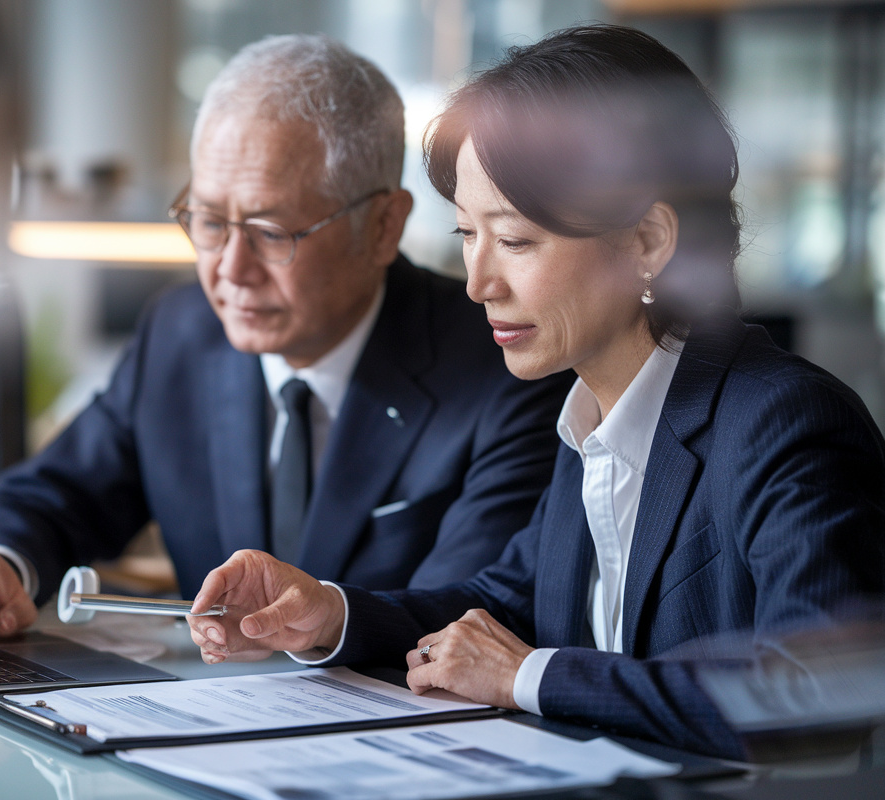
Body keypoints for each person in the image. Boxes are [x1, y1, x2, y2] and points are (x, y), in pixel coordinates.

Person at [187, 24, 885, 760]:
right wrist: (326, 615)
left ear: (648, 241)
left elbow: (819, 693)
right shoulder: (592, 419)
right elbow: (506, 602)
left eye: (515, 241)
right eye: (466, 235)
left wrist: (531, 676)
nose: (479, 284)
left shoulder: (786, 423)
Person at [0, 35, 570, 647]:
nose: (229, 270)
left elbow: (471, 619)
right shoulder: (182, 332)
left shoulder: (505, 367)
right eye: (209, 222)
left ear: (382, 227)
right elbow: (56, 493)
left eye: (272, 233)